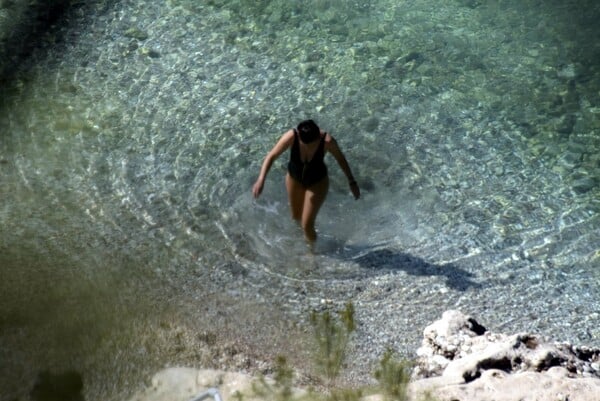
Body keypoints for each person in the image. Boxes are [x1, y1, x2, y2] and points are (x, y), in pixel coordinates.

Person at [252, 119, 360, 242]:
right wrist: (261, 179)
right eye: (304, 142)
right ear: (298, 134)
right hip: (294, 179)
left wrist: (352, 181)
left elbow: (341, 159)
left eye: (311, 143)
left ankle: (311, 254)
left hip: (317, 182)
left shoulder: (327, 141)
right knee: (296, 217)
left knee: (307, 225)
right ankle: (301, 243)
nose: (308, 146)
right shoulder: (291, 136)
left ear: (318, 136)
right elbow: (271, 156)